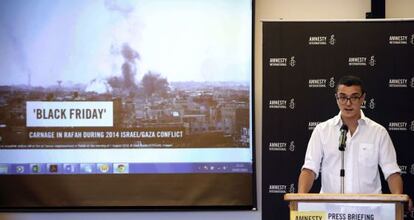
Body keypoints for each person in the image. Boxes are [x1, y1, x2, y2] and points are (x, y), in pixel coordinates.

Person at [297, 75, 412, 210]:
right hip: (331, 211)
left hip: (370, 212)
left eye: (354, 97)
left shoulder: (378, 132)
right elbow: (310, 169)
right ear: (336, 98)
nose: (348, 103)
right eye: (343, 97)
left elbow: (392, 172)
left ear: (363, 98)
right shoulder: (322, 131)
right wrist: (300, 198)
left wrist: (398, 199)